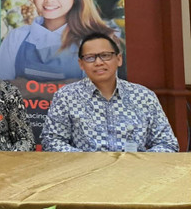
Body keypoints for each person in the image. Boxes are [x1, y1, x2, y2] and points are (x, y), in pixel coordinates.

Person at [41, 32, 179, 152]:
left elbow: (167, 143)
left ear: (119, 59)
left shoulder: (144, 96)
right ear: (81, 64)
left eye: (105, 55)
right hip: (85, 175)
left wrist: (136, 162)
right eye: (90, 58)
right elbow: (52, 141)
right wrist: (87, 161)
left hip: (134, 175)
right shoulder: (66, 96)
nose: (98, 62)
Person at [0, 0, 117, 82]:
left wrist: (30, 90)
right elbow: (0, 93)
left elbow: (99, 95)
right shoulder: (16, 38)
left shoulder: (95, 43)